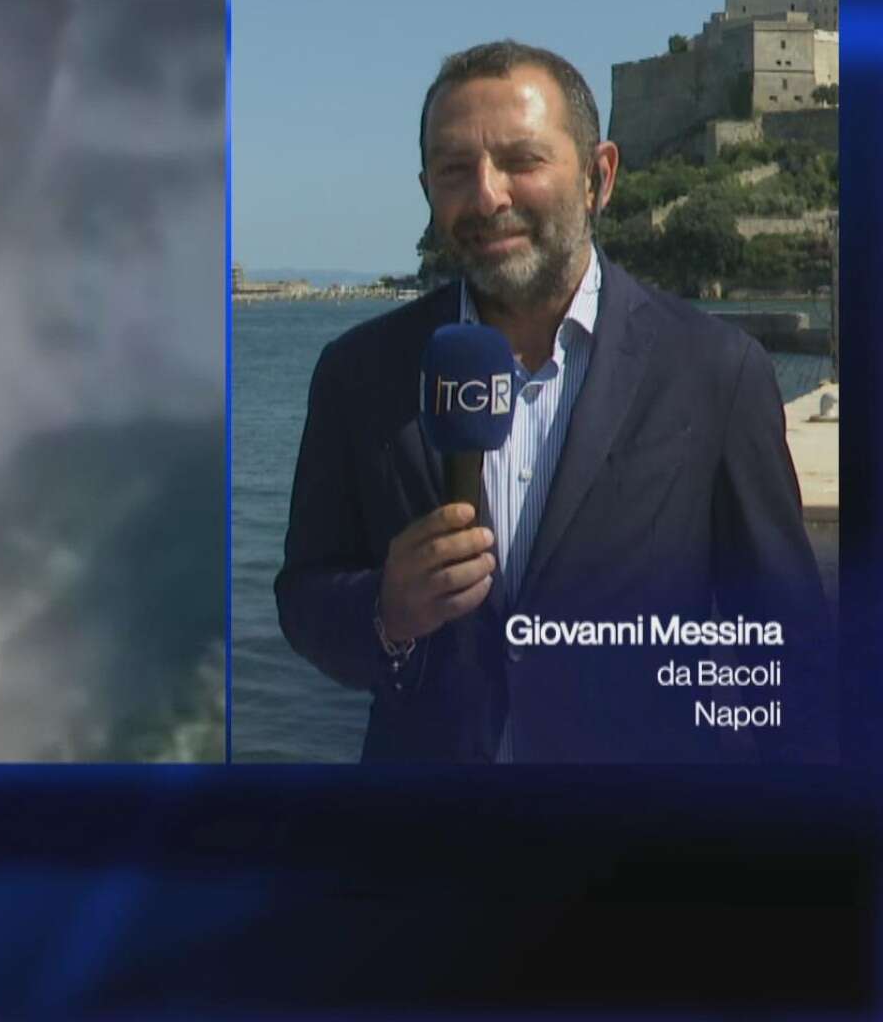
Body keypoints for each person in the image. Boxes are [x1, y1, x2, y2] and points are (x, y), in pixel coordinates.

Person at [274, 40, 832, 762]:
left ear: (600, 176)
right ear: (426, 190)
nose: (486, 196)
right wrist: (385, 612)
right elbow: (303, 596)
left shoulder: (715, 372)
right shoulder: (358, 372)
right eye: (453, 171)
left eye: (522, 161)